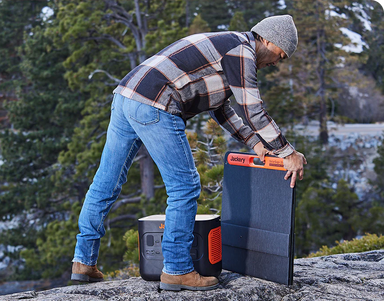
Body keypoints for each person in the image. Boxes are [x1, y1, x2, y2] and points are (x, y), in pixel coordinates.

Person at [70, 15, 307, 291]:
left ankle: (82, 262)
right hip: (155, 102)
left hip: (125, 96)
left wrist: (255, 143)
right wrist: (287, 152)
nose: (276, 62)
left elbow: (221, 107)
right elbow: (253, 109)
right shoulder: (243, 51)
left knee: (106, 183)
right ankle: (177, 269)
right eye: (279, 54)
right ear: (267, 39)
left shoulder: (229, 46)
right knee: (185, 186)